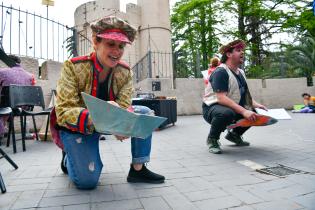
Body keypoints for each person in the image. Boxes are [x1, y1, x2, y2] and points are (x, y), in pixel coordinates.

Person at [54, 16, 165, 189]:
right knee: (87, 182)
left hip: (108, 121)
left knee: (144, 113)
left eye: (121, 46)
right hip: (79, 126)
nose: (117, 51)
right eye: (110, 44)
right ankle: (69, 156)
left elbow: (124, 103)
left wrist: (121, 121)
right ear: (95, 42)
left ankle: (138, 168)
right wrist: (102, 115)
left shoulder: (125, 72)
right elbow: (63, 112)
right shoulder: (73, 66)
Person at [202, 39, 267, 154]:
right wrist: (243, 111)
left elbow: (245, 94)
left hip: (231, 106)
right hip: (213, 108)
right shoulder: (220, 72)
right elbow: (221, 98)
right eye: (238, 50)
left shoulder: (241, 72)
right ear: (228, 54)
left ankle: (234, 135)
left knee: (254, 113)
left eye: (242, 50)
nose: (242, 52)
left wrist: (256, 105)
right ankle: (212, 139)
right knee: (226, 113)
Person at [0, 54, 35, 139]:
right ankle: (4, 129)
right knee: (9, 104)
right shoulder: (30, 75)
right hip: (25, 107)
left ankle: (2, 131)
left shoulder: (3, 72)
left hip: (8, 105)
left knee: (5, 105)